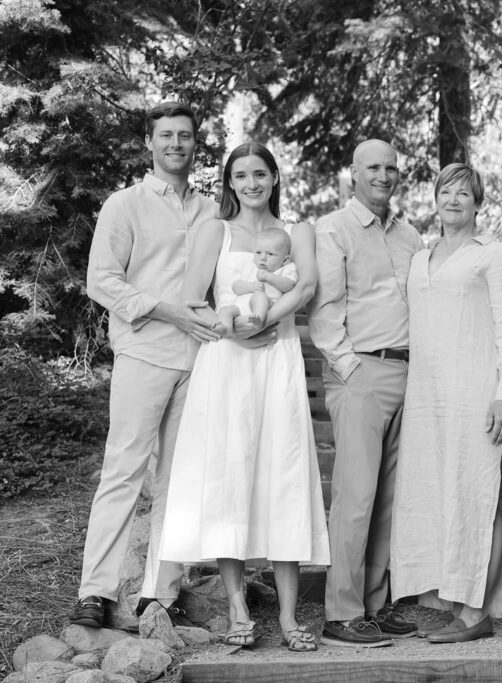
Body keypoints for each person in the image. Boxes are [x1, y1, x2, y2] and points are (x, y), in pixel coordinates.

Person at [159, 141, 329, 652]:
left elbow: (306, 289)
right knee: (231, 476)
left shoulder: (297, 231)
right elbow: (192, 299)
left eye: (260, 173)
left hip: (277, 358)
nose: (251, 183)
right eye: (240, 175)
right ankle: (237, 610)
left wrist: (263, 324)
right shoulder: (216, 229)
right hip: (227, 363)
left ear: (275, 178)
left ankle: (289, 618)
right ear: (229, 183)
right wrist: (236, 333)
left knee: (285, 476)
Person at [73, 101, 219, 630]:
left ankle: (161, 592)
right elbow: (102, 280)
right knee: (124, 471)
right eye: (166, 135)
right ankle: (96, 591)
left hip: (199, 359)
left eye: (185, 135)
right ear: (149, 143)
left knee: (179, 480)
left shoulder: (211, 211)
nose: (176, 144)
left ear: (194, 144)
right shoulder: (125, 205)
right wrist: (165, 309)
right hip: (144, 351)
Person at [390, 163, 502, 644]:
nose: (454, 200)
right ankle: (449, 596)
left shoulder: (496, 255)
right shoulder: (419, 258)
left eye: (464, 193)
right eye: (446, 191)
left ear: (477, 202)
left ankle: (476, 612)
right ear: (435, 198)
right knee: (441, 494)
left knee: (481, 492)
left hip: (478, 392)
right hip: (429, 398)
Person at [309, 139, 422, 647]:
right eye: (373, 167)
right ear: (353, 173)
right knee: (354, 498)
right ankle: (341, 614)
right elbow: (326, 308)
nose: (383, 174)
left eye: (391, 167)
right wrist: (350, 369)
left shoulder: (411, 235)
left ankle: (376, 604)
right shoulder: (332, 230)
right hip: (361, 373)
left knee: (390, 499)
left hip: (409, 373)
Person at [216, 228, 297, 336]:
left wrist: (269, 277)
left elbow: (289, 285)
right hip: (241, 306)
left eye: (270, 254)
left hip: (267, 305)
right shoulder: (251, 265)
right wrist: (249, 287)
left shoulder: (286, 268)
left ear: (285, 260)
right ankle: (226, 329)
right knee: (225, 310)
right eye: (258, 252)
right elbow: (236, 287)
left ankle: (258, 319)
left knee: (259, 296)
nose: (262, 257)